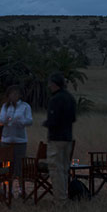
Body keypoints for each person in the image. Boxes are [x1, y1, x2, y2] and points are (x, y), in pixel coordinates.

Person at [43, 72, 76, 204]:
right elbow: (73, 118)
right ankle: (63, 196)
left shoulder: (55, 99)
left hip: (56, 138)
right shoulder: (70, 98)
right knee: (64, 169)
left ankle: (60, 199)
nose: (49, 86)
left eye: (50, 83)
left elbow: (53, 121)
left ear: (55, 84)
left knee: (55, 169)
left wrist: (46, 123)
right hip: (68, 138)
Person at [0, 85, 33, 197]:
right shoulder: (5, 106)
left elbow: (29, 121)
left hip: (20, 140)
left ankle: (22, 190)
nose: (14, 96)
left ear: (20, 95)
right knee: (8, 166)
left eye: (16, 93)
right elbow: (0, 121)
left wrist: (21, 121)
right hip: (6, 139)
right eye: (12, 94)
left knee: (20, 166)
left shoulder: (25, 106)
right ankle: (9, 190)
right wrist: (5, 120)